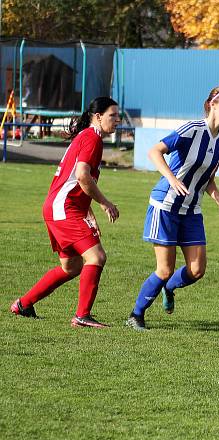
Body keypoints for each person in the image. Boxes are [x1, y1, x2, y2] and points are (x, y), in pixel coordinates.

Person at [125, 86, 219, 331]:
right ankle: (135, 315)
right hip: (166, 206)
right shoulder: (191, 129)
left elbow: (207, 178)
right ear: (212, 104)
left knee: (197, 270)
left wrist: (218, 196)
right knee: (164, 269)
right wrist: (171, 179)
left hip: (192, 211)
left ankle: (170, 287)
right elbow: (155, 151)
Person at [10, 97, 121, 327]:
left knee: (71, 266)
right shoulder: (93, 138)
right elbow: (81, 176)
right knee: (96, 257)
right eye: (113, 115)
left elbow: (74, 181)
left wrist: (88, 212)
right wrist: (105, 203)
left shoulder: (86, 136)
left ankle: (23, 304)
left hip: (58, 206)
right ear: (98, 117)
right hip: (64, 208)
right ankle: (82, 316)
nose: (118, 120)